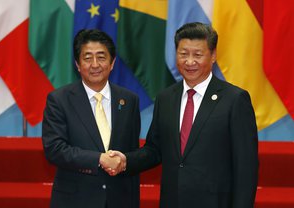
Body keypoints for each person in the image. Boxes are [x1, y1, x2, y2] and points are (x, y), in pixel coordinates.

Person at [109, 22, 259, 208]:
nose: (189, 62)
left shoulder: (235, 99)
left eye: (197, 55)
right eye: (183, 54)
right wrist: (125, 161)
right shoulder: (165, 98)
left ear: (213, 56)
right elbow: (154, 150)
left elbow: (246, 166)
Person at [42, 29, 140, 208]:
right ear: (78, 64)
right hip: (76, 200)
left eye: (101, 57)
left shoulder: (129, 100)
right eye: (87, 58)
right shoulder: (59, 100)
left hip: (120, 198)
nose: (95, 64)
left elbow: (132, 150)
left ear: (112, 63)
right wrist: (99, 159)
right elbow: (55, 149)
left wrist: (124, 162)